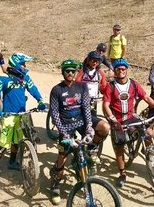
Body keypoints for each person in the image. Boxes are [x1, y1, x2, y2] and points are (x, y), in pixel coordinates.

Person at [102, 58, 154, 187]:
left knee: (149, 133)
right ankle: (122, 173)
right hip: (117, 120)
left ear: (127, 71)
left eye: (123, 69)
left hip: (131, 117)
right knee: (119, 146)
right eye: (118, 69)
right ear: (115, 71)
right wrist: (113, 120)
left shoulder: (134, 84)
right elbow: (106, 105)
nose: (121, 71)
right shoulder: (111, 86)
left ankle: (151, 156)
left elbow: (146, 97)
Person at [48, 59, 101, 204]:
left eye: (73, 71)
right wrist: (64, 134)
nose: (70, 73)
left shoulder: (82, 86)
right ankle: (56, 183)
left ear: (77, 72)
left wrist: (89, 126)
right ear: (63, 72)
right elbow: (54, 113)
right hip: (65, 127)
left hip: (81, 122)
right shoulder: (56, 90)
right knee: (62, 157)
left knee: (86, 149)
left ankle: (85, 163)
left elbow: (86, 108)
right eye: (67, 71)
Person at [0, 52, 47, 180]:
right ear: (16, 65)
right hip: (9, 115)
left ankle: (12, 161)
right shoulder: (3, 80)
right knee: (4, 142)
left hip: (22, 114)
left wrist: (40, 101)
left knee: (17, 140)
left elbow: (33, 89)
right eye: (23, 64)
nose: (25, 66)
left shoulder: (25, 78)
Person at [73, 54, 112, 158]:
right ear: (88, 61)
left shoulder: (100, 73)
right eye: (93, 60)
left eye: (97, 61)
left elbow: (104, 88)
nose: (95, 63)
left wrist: (108, 89)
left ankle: (92, 144)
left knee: (92, 122)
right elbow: (76, 84)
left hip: (93, 103)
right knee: (82, 122)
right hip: (81, 102)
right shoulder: (83, 72)